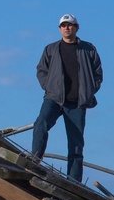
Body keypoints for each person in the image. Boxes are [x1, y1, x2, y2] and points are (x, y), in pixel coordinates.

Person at [31, 14, 103, 182]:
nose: (66, 28)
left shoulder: (89, 49)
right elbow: (41, 70)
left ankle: (74, 181)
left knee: (76, 144)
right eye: (63, 25)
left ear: (76, 28)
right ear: (59, 29)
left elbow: (97, 74)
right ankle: (34, 159)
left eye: (70, 25)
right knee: (41, 122)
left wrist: (89, 91)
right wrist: (49, 87)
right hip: (54, 99)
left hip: (77, 103)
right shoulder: (51, 49)